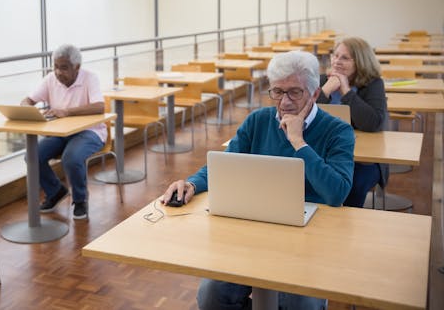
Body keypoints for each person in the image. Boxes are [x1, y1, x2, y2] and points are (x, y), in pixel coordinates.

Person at [161, 50, 354, 310]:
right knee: (211, 294)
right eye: (277, 91)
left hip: (309, 242)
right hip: (253, 231)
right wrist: (193, 183)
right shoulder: (258, 121)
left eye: (294, 92)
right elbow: (226, 165)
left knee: (301, 304)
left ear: (315, 93)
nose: (284, 101)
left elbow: (337, 193)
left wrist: (299, 142)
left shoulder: (338, 131)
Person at [21, 44, 105, 220]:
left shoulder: (90, 78)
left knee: (71, 157)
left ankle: (80, 200)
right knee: (32, 155)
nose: (58, 72)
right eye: (56, 67)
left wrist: (67, 111)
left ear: (77, 67)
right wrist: (28, 108)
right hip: (61, 134)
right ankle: (56, 191)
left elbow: (99, 107)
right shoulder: (51, 79)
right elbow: (28, 100)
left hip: (90, 132)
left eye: (64, 68)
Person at [316, 36, 388, 207]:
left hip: (363, 160)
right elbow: (305, 115)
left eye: (345, 58)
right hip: (325, 153)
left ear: (361, 62)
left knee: (352, 185)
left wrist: (346, 91)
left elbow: (373, 123)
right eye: (335, 55)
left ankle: (347, 228)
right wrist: (325, 90)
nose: (337, 61)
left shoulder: (373, 84)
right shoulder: (321, 81)